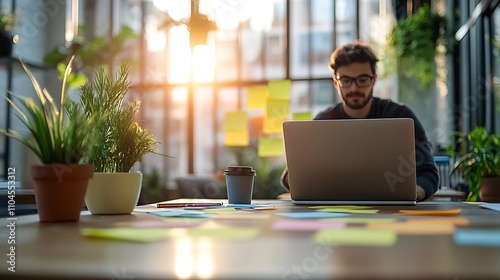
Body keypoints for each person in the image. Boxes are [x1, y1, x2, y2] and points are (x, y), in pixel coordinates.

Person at [280, 40, 439, 201]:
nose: (354, 88)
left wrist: (416, 192)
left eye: (362, 80)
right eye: (346, 81)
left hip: (393, 210)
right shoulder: (323, 122)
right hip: (336, 212)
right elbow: (290, 178)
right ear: (336, 82)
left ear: (374, 80)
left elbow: (428, 172)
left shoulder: (400, 116)